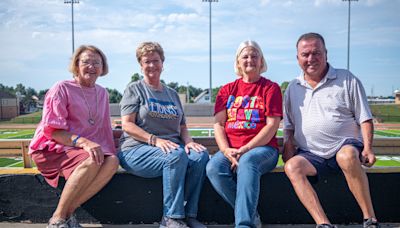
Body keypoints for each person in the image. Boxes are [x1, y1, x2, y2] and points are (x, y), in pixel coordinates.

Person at [283, 32, 380, 228]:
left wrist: (368, 148)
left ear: (326, 53)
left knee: (346, 156)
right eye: (305, 54)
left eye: (316, 53)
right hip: (311, 154)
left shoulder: (346, 79)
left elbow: (365, 118)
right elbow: (289, 126)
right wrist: (288, 145)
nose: (311, 59)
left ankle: (370, 219)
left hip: (344, 146)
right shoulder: (292, 87)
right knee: (292, 167)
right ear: (297, 58)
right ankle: (323, 224)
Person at [118, 42, 209, 228]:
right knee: (175, 156)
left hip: (172, 149)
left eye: (155, 60)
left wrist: (189, 142)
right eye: (146, 61)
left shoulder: (172, 94)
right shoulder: (134, 89)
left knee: (200, 156)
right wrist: (155, 140)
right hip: (137, 149)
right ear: (140, 65)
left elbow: (182, 125)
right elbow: (127, 125)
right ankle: (171, 218)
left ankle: (189, 215)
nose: (151, 65)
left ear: (162, 63)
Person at [29, 45, 120, 228]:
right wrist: (85, 143)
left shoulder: (102, 92)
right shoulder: (61, 88)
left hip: (79, 150)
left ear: (103, 68)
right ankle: (57, 219)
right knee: (94, 158)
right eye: (86, 62)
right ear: (76, 64)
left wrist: (129, 132)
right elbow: (53, 131)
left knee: (112, 162)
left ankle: (68, 214)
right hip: (52, 147)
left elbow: (101, 129)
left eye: (97, 63)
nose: (91, 66)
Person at [206, 40, 282, 228]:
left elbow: (272, 126)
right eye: (245, 56)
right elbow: (219, 124)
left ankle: (244, 224)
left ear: (261, 60)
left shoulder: (270, 88)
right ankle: (250, 213)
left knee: (247, 162)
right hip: (232, 149)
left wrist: (246, 149)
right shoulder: (226, 90)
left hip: (263, 150)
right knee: (213, 168)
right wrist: (226, 151)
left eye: (254, 56)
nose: (250, 60)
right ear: (238, 62)